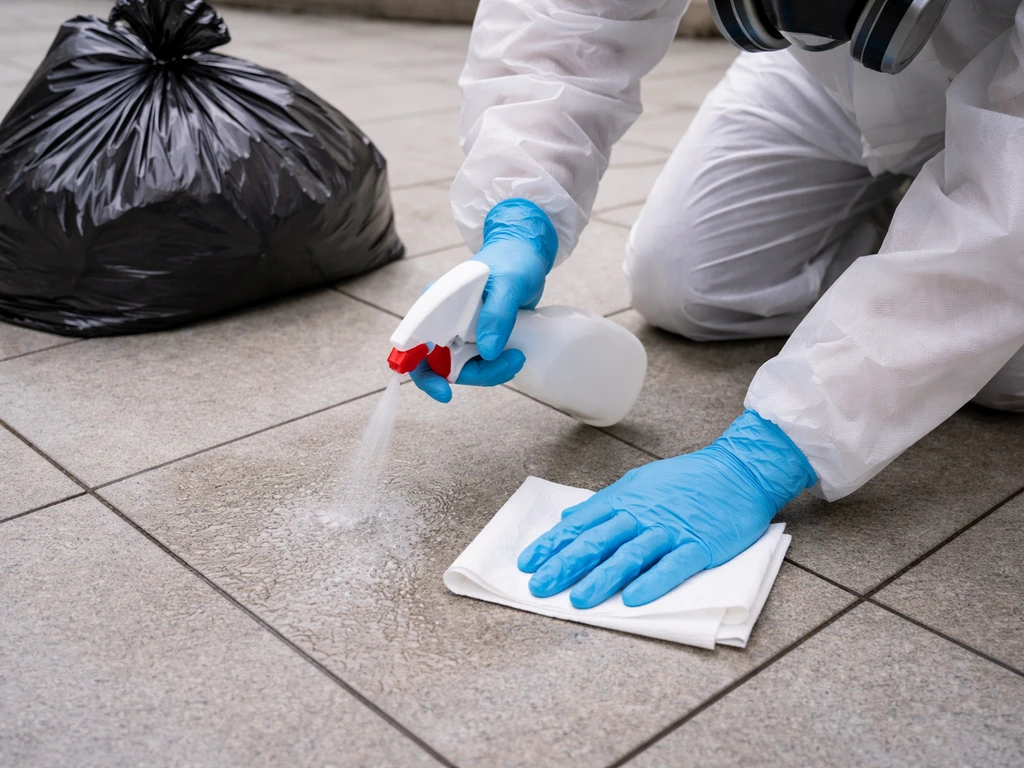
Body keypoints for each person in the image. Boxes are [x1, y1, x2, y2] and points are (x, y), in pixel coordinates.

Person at [409, 0, 1024, 610]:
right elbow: (565, 17)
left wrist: (766, 456)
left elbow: (1010, 213)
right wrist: (519, 209)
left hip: (1002, 81)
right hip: (823, 67)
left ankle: (919, 251)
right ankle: (907, 240)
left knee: (1001, 371)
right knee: (686, 283)